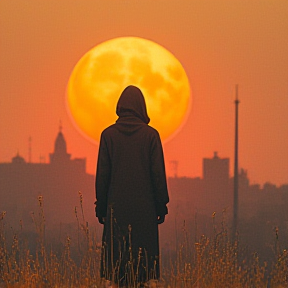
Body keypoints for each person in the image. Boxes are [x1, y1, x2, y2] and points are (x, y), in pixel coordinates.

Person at [95, 85, 169, 287]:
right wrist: (161, 205)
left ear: (120, 106)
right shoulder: (151, 136)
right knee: (144, 271)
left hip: (115, 211)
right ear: (142, 107)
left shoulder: (108, 136)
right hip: (145, 212)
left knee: (117, 269)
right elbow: (158, 175)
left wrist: (101, 208)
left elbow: (103, 176)